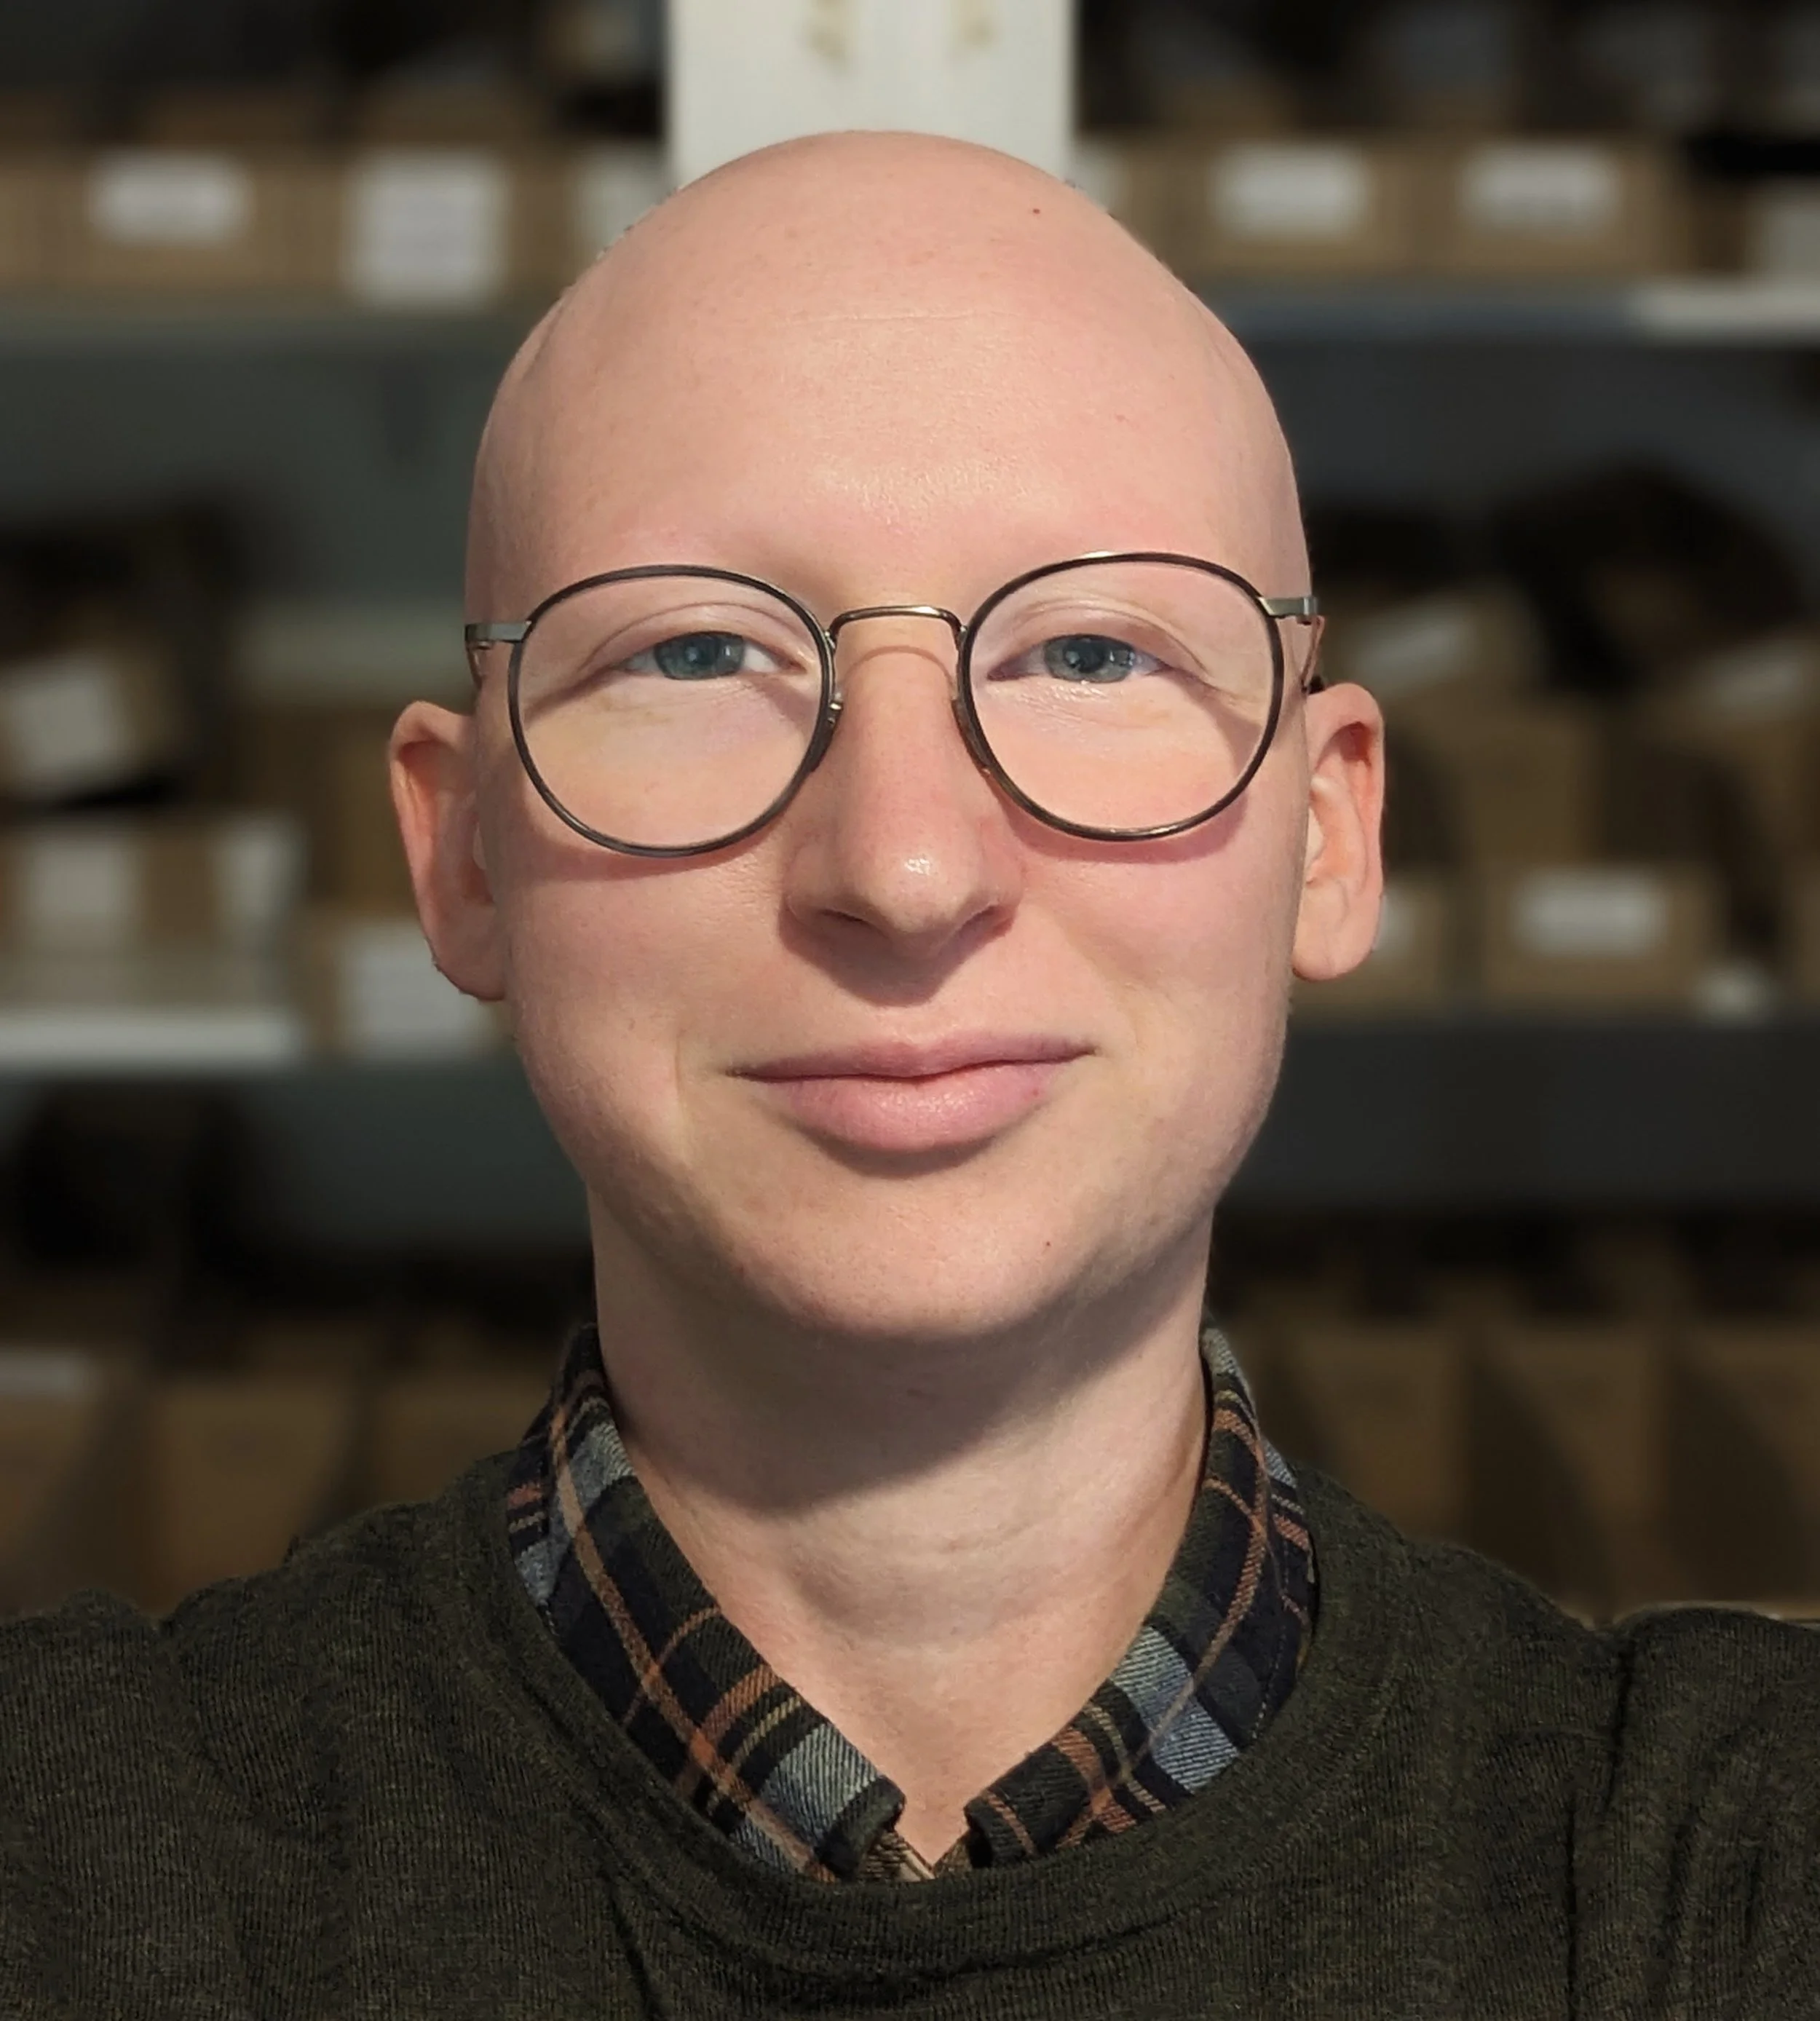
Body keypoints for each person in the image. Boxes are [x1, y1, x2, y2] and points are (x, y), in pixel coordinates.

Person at [4, 131, 1818, 2019]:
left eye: (1091, 652)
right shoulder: (67, 1867)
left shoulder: (1732, 1872)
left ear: (1324, 833)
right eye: (697, 650)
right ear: (466, 855)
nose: (903, 867)